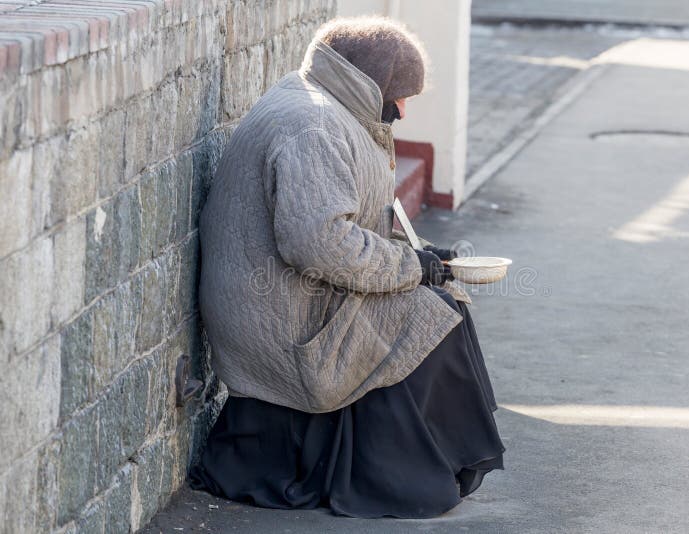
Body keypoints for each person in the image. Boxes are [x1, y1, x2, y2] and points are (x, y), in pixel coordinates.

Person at [188, 17, 505, 518]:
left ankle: (443, 462)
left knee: (442, 301)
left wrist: (424, 255)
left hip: (291, 297)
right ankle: (401, 475)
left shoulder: (325, 103)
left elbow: (346, 222)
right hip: (286, 323)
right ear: (369, 83)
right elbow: (321, 245)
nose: (402, 109)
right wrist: (412, 268)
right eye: (401, 96)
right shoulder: (314, 127)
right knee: (432, 315)